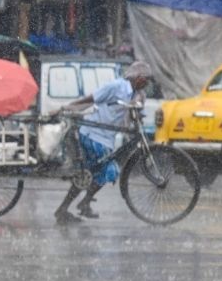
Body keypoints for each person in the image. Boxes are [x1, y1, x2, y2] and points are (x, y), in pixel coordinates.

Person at [54, 61, 153, 225]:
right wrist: (67, 107)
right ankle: (69, 207)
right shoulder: (116, 87)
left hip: (106, 138)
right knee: (101, 172)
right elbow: (92, 99)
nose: (147, 83)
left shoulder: (138, 94)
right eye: (145, 79)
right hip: (93, 134)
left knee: (97, 173)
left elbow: (137, 112)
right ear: (137, 77)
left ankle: (77, 204)